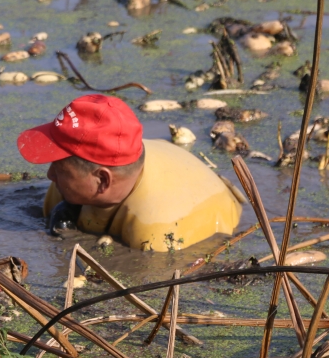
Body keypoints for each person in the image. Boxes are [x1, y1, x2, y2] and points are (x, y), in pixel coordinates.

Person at [17, 94, 242, 252]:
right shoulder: (68, 185)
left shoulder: (157, 233)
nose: (50, 175)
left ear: (102, 180)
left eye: (59, 169)